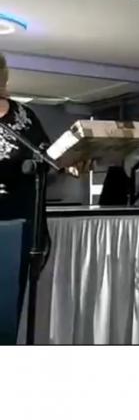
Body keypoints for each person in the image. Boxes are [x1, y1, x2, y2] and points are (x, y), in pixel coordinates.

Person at [0, 52, 50, 344]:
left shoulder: (24, 116)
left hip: (19, 226)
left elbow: (46, 156)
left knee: (9, 305)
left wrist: (74, 161)